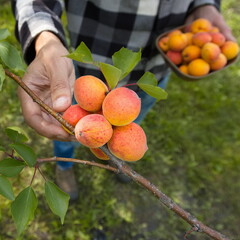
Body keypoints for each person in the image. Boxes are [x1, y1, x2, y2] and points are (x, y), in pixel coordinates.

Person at [12, 0, 235, 200]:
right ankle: (63, 164)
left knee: (127, 122)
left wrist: (203, 4)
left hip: (154, 72)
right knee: (65, 128)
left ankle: (114, 157)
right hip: (85, 69)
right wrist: (45, 39)